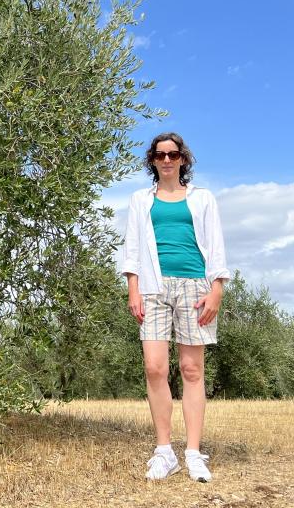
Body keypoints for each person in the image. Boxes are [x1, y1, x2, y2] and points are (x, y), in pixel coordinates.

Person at [121, 132, 230, 482]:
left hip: (195, 287)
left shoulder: (203, 199)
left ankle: (194, 453)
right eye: (160, 154)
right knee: (154, 367)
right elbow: (133, 248)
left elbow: (215, 246)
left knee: (192, 369)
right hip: (153, 288)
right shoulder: (140, 200)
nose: (167, 160)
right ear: (152, 161)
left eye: (173, 154)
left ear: (183, 159)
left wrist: (216, 290)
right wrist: (133, 288)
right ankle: (164, 451)